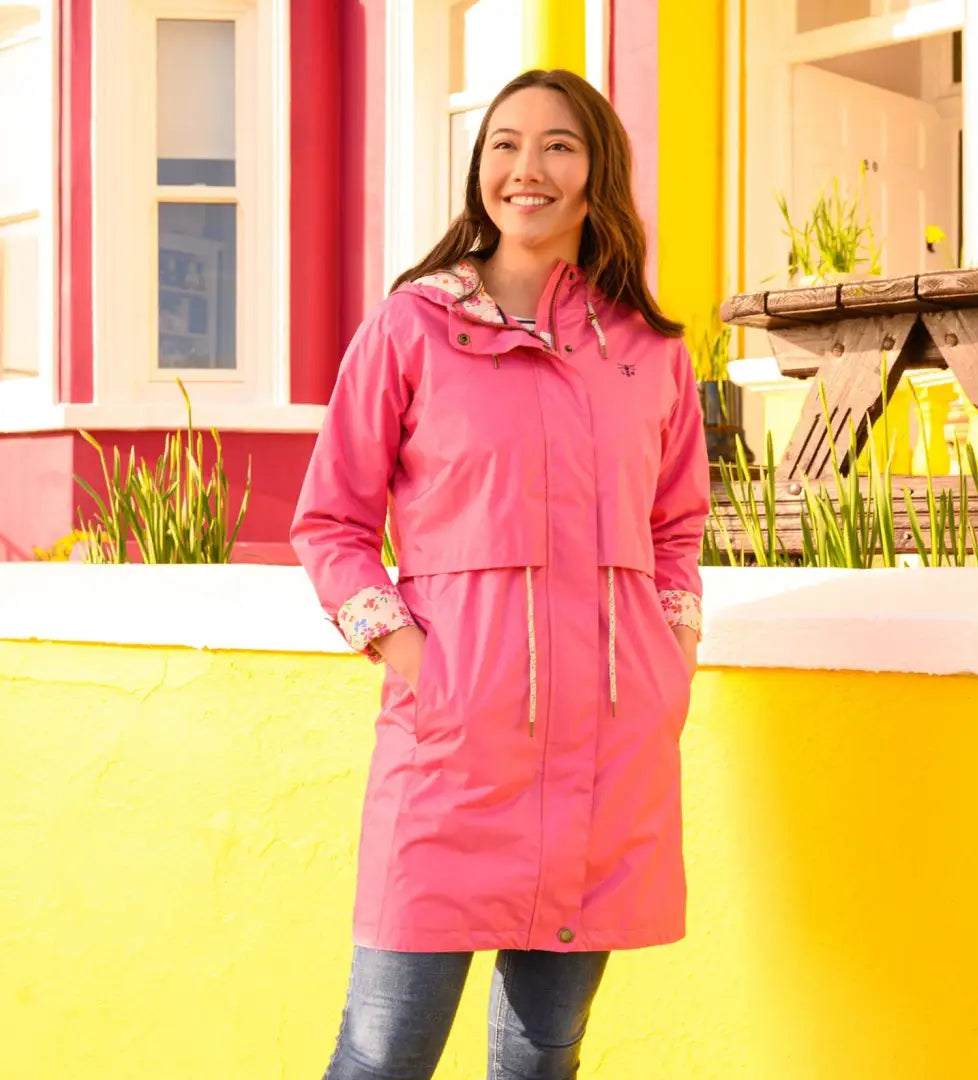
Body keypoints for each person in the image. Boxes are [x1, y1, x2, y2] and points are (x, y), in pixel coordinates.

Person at [291, 67, 710, 1080]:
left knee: (542, 1056)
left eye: (558, 145)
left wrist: (669, 658)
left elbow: (679, 528)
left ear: (596, 170)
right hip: (452, 749)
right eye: (504, 145)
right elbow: (331, 522)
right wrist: (409, 657)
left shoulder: (649, 352)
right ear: (480, 170)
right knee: (383, 1050)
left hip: (608, 754)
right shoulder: (411, 329)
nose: (528, 168)